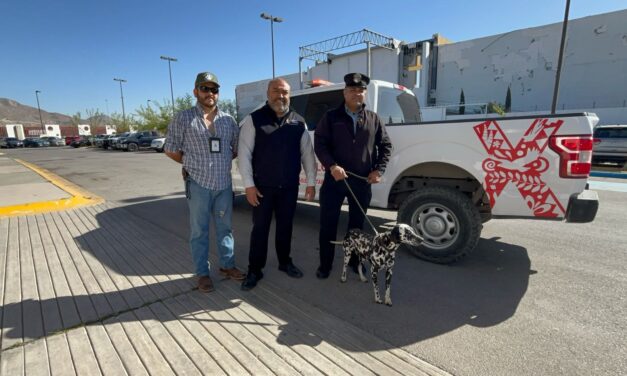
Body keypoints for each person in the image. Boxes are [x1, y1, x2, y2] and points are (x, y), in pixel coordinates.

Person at [164, 71, 245, 293]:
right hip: (197, 184)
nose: (210, 93)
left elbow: (236, 149)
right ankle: (202, 273)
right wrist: (189, 163)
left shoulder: (228, 120)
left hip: (223, 185)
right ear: (195, 91)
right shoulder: (183, 118)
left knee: (225, 229)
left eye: (214, 89)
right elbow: (170, 148)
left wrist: (219, 162)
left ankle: (227, 266)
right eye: (205, 88)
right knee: (199, 231)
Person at [238, 78, 317, 291]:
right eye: (276, 91)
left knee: (285, 227)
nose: (280, 96)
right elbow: (244, 155)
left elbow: (308, 155)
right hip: (262, 188)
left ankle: (285, 262)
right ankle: (255, 269)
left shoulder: (299, 121)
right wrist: (249, 186)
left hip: (289, 187)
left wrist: (310, 183)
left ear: (289, 95)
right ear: (268, 93)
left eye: (284, 92)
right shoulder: (253, 120)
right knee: (260, 229)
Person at [313, 72, 393, 279]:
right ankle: (325, 265)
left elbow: (385, 146)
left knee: (357, 228)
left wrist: (379, 170)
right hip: (334, 180)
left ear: (365, 93)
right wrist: (331, 166)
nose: (357, 93)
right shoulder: (331, 117)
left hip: (361, 182)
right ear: (344, 92)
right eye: (352, 90)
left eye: (361, 90)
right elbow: (320, 144)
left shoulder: (374, 119)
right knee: (328, 225)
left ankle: (355, 262)